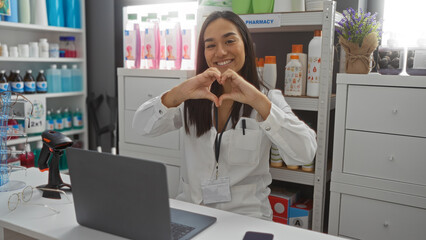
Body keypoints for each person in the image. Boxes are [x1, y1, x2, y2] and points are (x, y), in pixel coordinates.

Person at [132, 11, 317, 220]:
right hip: (193, 212)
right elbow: (140, 127)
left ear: (246, 44)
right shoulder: (191, 98)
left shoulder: (267, 99)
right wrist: (178, 93)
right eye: (210, 45)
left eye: (229, 41)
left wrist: (258, 102)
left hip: (245, 218)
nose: (220, 52)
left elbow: (305, 152)